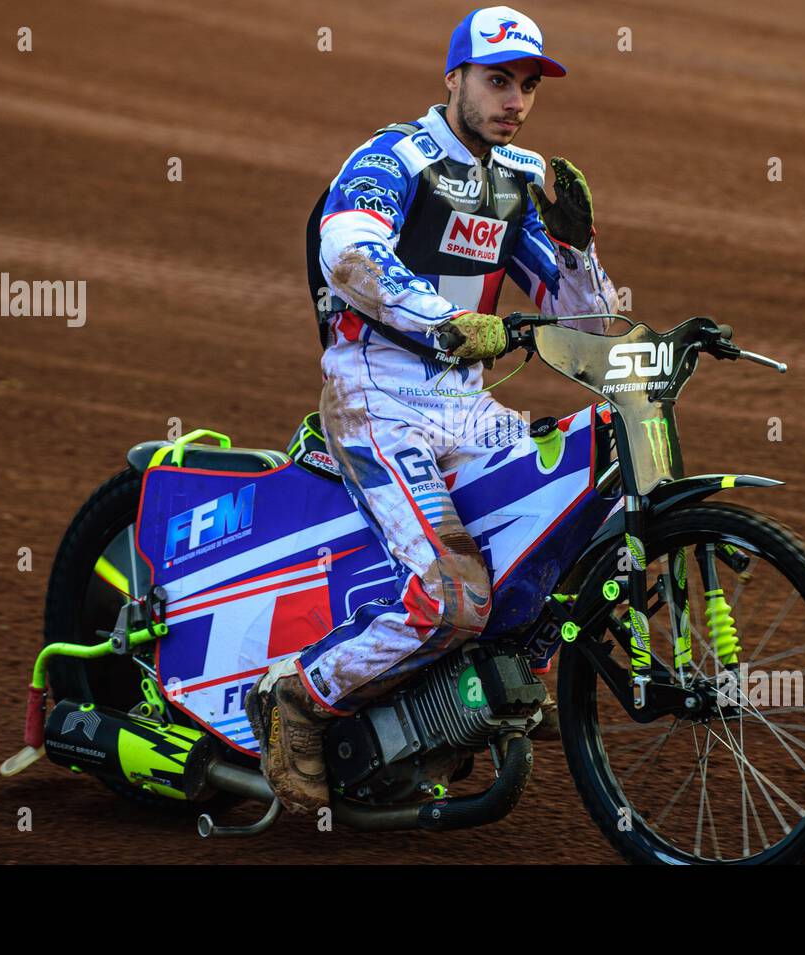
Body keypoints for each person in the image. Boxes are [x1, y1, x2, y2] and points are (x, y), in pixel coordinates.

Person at [247, 5, 621, 815]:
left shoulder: (516, 181)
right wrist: (446, 321)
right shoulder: (396, 156)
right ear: (452, 77)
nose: (514, 100)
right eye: (497, 81)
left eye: (526, 85)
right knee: (452, 596)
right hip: (376, 394)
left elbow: (584, 325)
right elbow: (347, 252)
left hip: (465, 403)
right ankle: (300, 700)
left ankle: (488, 682)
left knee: (553, 529)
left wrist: (580, 248)